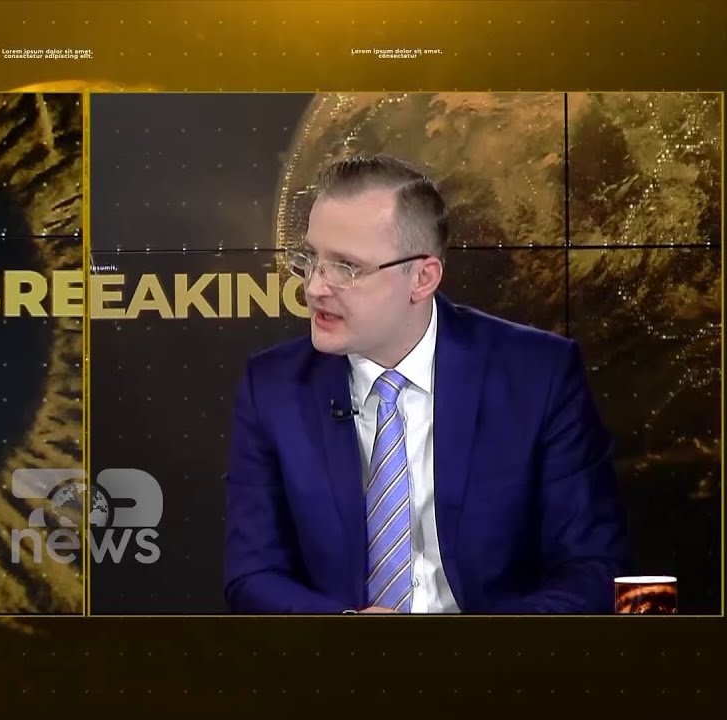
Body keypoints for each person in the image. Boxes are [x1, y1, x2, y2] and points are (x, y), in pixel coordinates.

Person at [223, 155, 629, 614]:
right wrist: (345, 628)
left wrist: (460, 647)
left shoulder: (538, 375)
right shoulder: (272, 388)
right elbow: (252, 574)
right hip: (339, 655)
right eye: (311, 259)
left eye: (346, 267)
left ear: (422, 278)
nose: (314, 288)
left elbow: (593, 567)